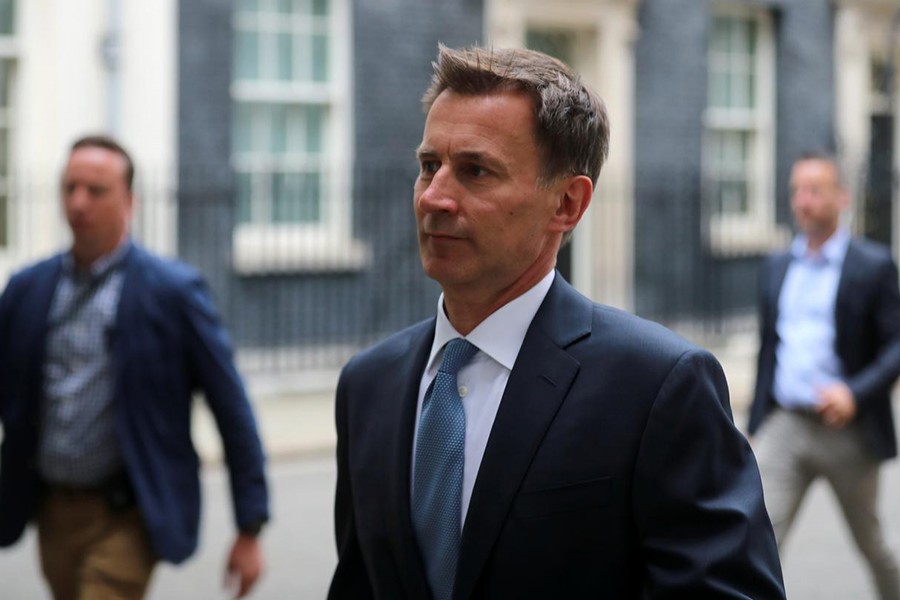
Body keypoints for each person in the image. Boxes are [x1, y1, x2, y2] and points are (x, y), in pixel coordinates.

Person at [327, 44, 784, 599]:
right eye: (429, 166)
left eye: (475, 170)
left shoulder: (658, 386)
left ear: (567, 204)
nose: (436, 197)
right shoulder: (368, 386)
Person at [0, 135, 270, 599]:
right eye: (70, 187)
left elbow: (231, 405)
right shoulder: (29, 288)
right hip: (53, 512)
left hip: (129, 513)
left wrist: (250, 525)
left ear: (129, 200)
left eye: (96, 190)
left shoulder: (172, 293)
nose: (78, 202)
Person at [748, 152, 900, 599]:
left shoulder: (872, 265)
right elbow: (768, 348)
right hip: (786, 427)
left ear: (841, 197)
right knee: (756, 542)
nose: (803, 201)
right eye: (797, 190)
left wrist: (855, 393)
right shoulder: (776, 266)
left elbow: (896, 345)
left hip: (849, 432)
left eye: (815, 190)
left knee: (872, 545)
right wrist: (758, 422)